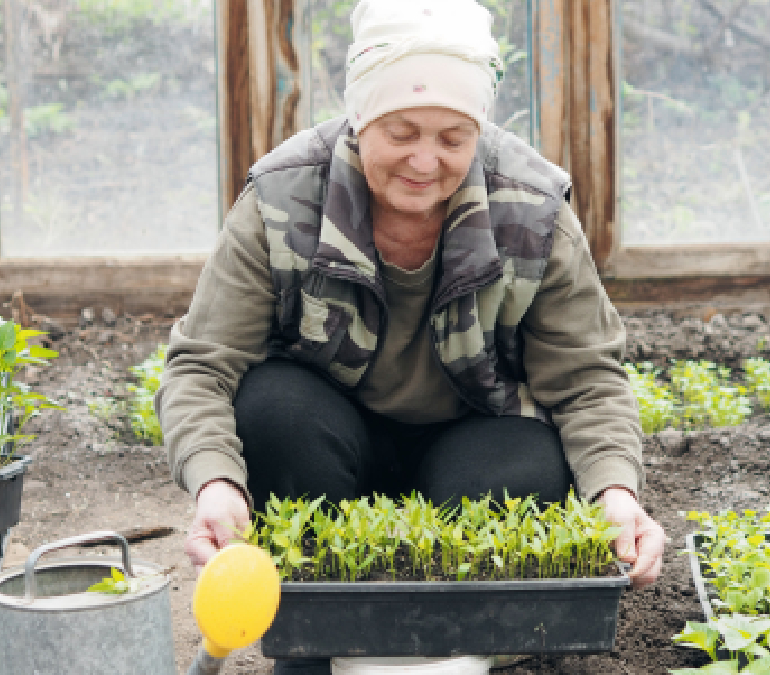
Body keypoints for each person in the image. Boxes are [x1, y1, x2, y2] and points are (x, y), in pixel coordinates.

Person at [158, 0, 667, 670]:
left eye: (453, 138)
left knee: (532, 464)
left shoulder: (531, 210)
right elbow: (201, 366)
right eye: (401, 131)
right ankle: (309, 641)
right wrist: (216, 483)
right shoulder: (283, 200)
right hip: (329, 443)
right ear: (360, 117)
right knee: (272, 409)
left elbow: (588, 379)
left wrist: (617, 496)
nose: (425, 160)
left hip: (469, 443)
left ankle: (454, 639)